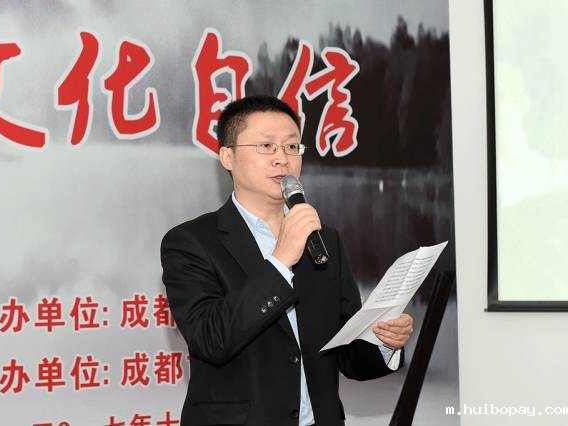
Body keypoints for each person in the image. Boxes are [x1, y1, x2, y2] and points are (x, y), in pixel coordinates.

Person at [160, 95, 413, 426]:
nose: (282, 159)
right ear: (227, 156)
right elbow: (211, 339)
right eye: (266, 146)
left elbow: (349, 357)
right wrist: (281, 260)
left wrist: (383, 341)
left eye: (292, 147)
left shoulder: (324, 240)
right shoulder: (191, 242)